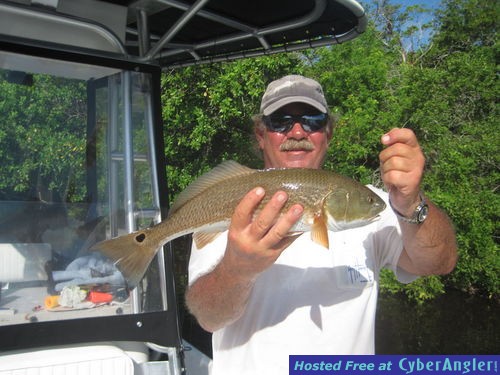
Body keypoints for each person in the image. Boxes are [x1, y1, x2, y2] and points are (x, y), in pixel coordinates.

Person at [186, 75, 457, 374]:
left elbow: (439, 262)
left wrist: (411, 203)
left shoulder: (375, 204)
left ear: (328, 133)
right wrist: (237, 270)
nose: (298, 131)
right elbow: (207, 317)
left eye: (313, 120)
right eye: (280, 121)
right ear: (261, 135)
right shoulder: (233, 200)